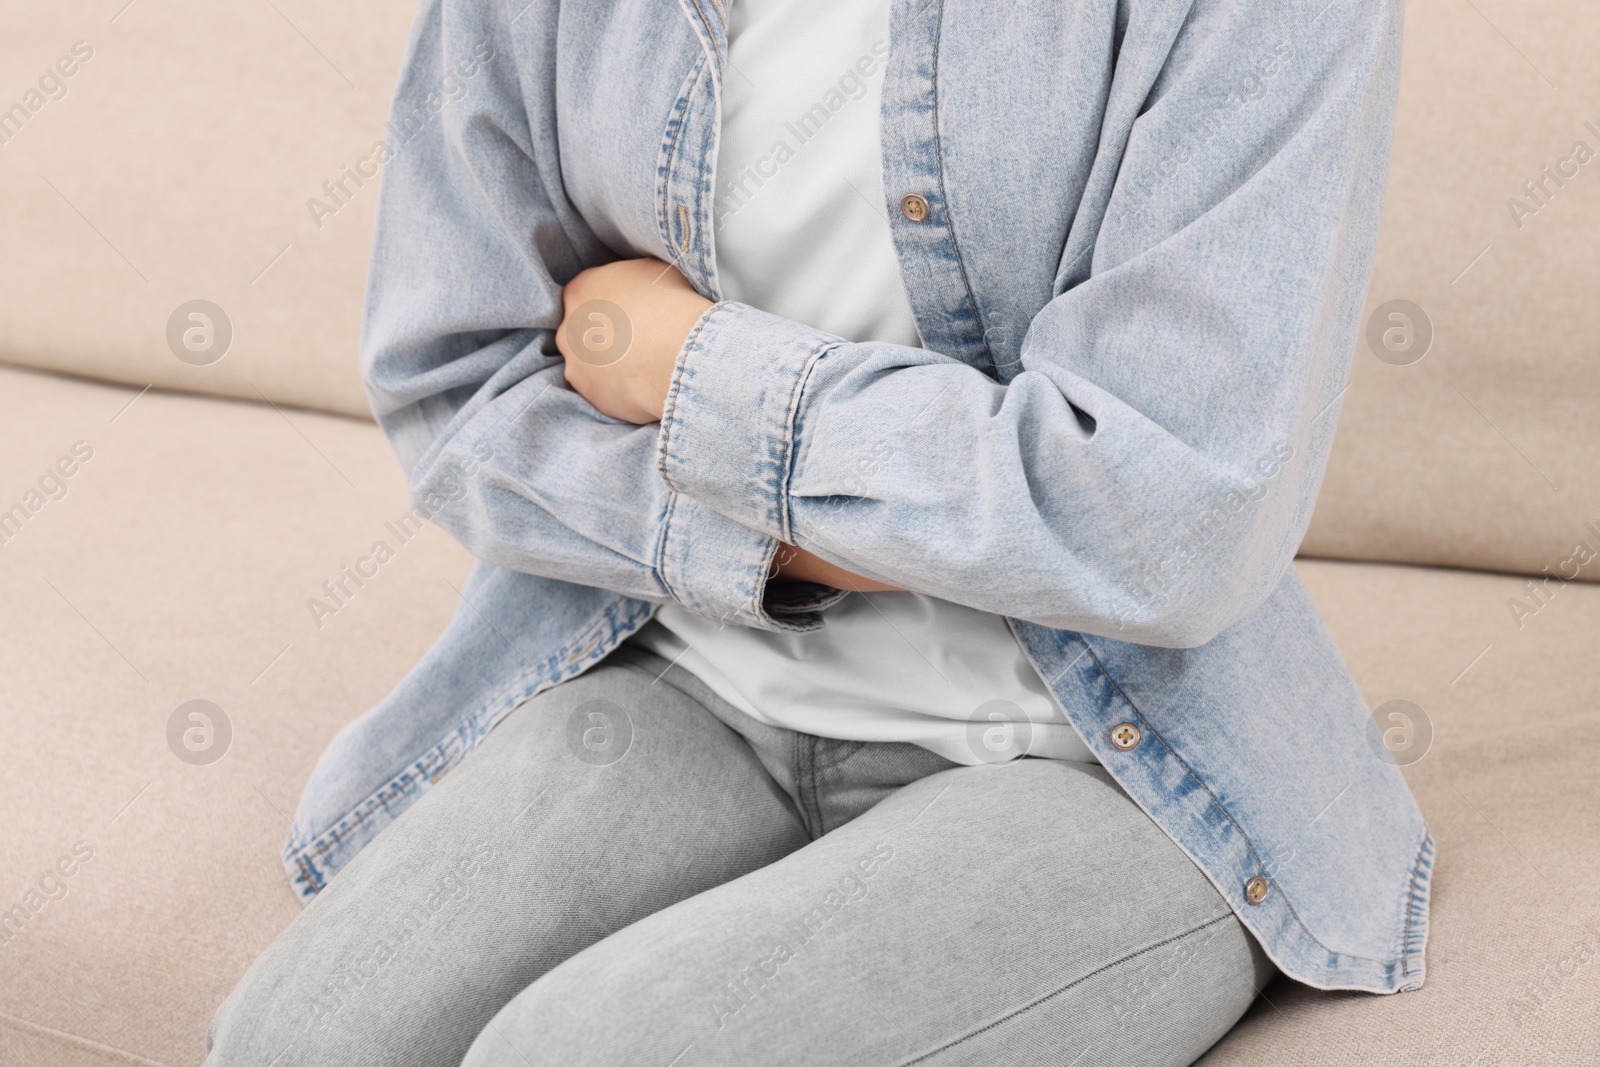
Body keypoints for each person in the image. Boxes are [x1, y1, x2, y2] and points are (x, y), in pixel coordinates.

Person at [206, 0, 1432, 1063]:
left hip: (1108, 752)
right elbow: (461, 379)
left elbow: (1157, 521)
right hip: (685, 666)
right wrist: (812, 544)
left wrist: (680, 360)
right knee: (298, 1045)